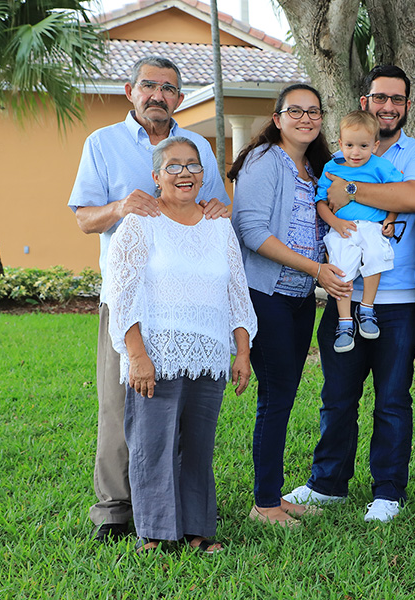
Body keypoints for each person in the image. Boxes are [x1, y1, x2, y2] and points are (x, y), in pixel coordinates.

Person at [68, 56, 229, 543]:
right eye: (149, 86)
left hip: (188, 304)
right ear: (130, 91)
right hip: (131, 301)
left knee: (182, 412)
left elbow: (214, 207)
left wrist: (217, 207)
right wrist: (120, 206)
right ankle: (117, 510)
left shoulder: (198, 144)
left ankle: (175, 509)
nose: (158, 94)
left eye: (168, 88)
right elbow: (83, 219)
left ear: (180, 98)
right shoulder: (103, 144)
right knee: (123, 405)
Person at [283, 65, 415, 522]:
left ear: (407, 105)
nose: (387, 106)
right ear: (365, 101)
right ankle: (328, 483)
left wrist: (351, 188)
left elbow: (412, 198)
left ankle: (388, 492)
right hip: (343, 295)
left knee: (392, 399)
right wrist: (358, 197)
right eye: (379, 98)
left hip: (399, 301)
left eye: (397, 99)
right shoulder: (337, 152)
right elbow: (326, 204)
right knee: (337, 395)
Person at [104, 137, 255, 554]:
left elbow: (236, 294)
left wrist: (241, 351)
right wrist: (137, 355)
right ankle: (154, 532)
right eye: (173, 166)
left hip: (208, 356)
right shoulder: (140, 223)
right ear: (156, 176)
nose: (184, 173)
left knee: (199, 447)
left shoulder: (218, 226)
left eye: (192, 166)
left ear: (204, 176)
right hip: (158, 354)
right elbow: (123, 294)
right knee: (153, 446)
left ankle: (196, 531)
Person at [229, 84, 351, 527]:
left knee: (282, 397)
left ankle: (274, 496)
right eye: (294, 111)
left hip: (300, 301)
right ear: (277, 119)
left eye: (314, 111)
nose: (306, 118)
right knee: (275, 401)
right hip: (268, 297)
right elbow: (252, 232)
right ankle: (265, 505)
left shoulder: (316, 167)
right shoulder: (265, 160)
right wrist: (316, 270)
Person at [315, 110, 404, 353]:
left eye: (363, 146)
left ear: (375, 145)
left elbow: (398, 194)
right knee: (341, 270)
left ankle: (366, 308)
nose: (356, 152)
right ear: (340, 144)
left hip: (373, 227)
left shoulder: (381, 167)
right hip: (343, 228)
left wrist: (391, 219)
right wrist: (335, 223)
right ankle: (345, 322)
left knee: (376, 256)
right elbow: (320, 202)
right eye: (350, 145)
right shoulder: (331, 167)